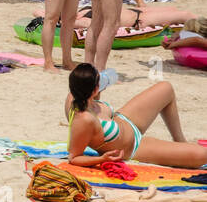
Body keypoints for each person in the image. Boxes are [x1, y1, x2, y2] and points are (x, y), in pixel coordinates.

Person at [64, 64, 207, 168]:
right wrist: (101, 159)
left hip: (127, 119)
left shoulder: (77, 93)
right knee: (202, 155)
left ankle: (180, 141)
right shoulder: (84, 120)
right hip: (134, 147)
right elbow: (74, 157)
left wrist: (105, 79)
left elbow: (88, 83)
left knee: (166, 88)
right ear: (94, 89)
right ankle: (182, 147)